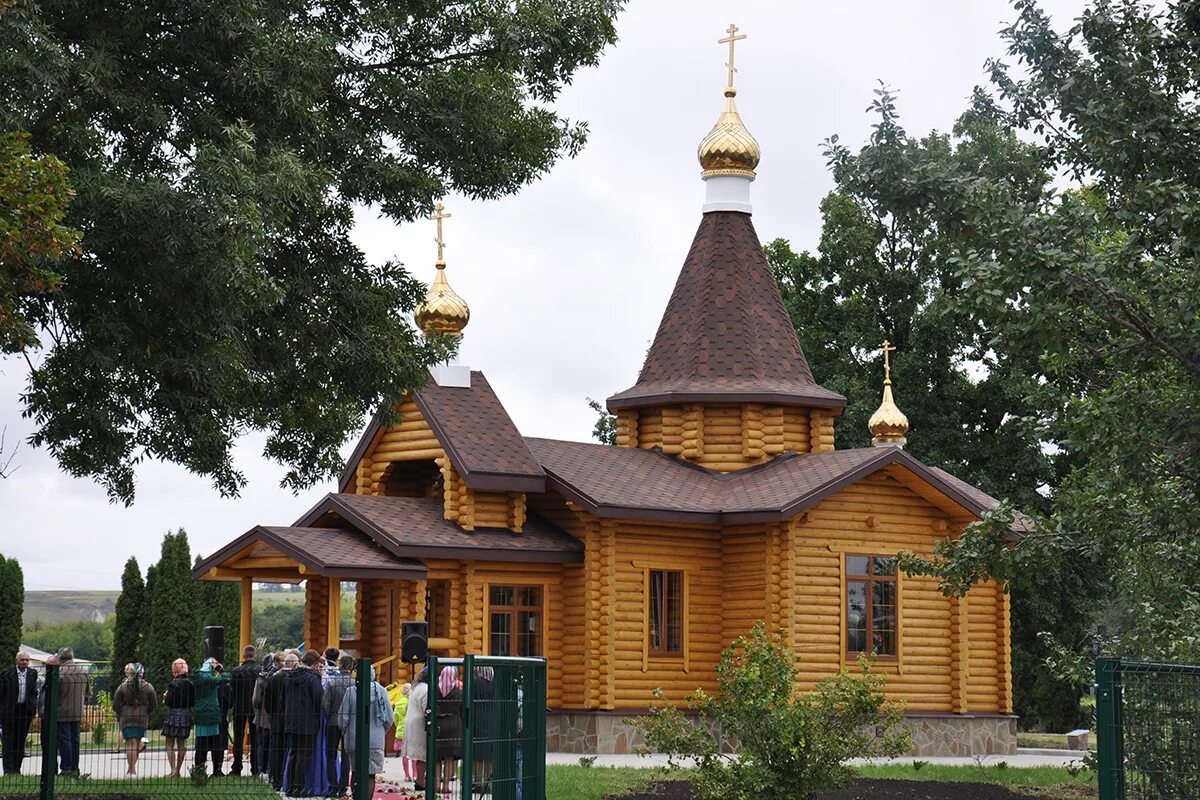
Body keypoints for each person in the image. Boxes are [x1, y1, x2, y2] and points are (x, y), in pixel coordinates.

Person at [337, 663, 392, 800]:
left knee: (355, 771)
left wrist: (346, 732)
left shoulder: (351, 692)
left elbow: (343, 717)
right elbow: (389, 718)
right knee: (370, 775)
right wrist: (380, 731)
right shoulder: (382, 691)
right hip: (375, 740)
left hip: (354, 739)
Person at [282, 650, 323, 797]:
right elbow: (320, 700)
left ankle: (290, 787)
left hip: (291, 721)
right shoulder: (312, 679)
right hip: (308, 722)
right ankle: (299, 787)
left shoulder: (288, 677)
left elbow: (283, 699)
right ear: (315, 663)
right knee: (303, 755)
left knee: (293, 753)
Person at [112, 663, 156, 776]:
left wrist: (121, 713)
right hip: (141, 718)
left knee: (131, 744)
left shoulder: (123, 687)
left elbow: (115, 704)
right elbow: (153, 704)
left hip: (127, 718)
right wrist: (146, 712)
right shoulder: (148, 687)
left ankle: (131, 770)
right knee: (136, 744)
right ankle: (133, 769)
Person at [320, 653, 354, 798]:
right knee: (346, 756)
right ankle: (343, 786)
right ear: (351, 666)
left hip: (333, 722)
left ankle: (332, 786)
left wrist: (330, 717)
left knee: (331, 755)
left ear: (340, 665)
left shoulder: (333, 683)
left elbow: (325, 704)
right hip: (350, 724)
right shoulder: (354, 683)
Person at [192, 657, 231, 777]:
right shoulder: (213, 679)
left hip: (200, 715)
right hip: (213, 714)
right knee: (216, 745)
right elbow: (227, 677)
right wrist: (219, 669)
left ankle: (199, 770)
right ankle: (217, 770)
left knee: (201, 745)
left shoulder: (197, 677)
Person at [0, 651, 37, 776]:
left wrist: (32, 707)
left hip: (25, 710)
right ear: (17, 661)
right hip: (10, 711)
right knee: (8, 741)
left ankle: (17, 769)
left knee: (20, 740)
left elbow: (33, 692)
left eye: (27, 660)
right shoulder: (7, 674)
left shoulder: (32, 673)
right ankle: (8, 770)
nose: (25, 662)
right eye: (22, 660)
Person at [55, 647, 88, 777]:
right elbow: (87, 692)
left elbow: (54, 693)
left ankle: (66, 768)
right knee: (75, 740)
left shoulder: (60, 672)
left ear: (60, 658)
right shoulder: (83, 671)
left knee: (65, 741)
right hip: (78, 711)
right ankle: (75, 767)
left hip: (62, 712)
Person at [230, 644, 262, 776]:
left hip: (239, 707)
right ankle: (255, 768)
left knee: (238, 737)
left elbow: (233, 690)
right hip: (255, 708)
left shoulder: (237, 671)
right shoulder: (259, 670)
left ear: (243, 656)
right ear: (255, 655)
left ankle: (237, 767)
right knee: (255, 738)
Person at [162, 658, 195, 778]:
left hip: (173, 713)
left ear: (175, 670)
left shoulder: (173, 684)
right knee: (182, 743)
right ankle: (178, 769)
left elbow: (169, 702)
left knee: (169, 742)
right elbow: (192, 701)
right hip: (185, 713)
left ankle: (173, 769)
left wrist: (165, 697)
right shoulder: (191, 683)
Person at [264, 651, 293, 790]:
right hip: (290, 718)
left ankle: (275, 779)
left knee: (276, 750)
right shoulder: (292, 678)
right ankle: (287, 778)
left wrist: (272, 715)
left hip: (276, 718)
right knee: (289, 750)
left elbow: (267, 702)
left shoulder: (272, 679)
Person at [434, 666, 462, 796]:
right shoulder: (458, 692)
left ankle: (436, 784)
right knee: (450, 758)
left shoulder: (434, 691)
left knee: (437, 758)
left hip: (438, 725)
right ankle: (446, 784)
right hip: (454, 726)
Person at [401, 667, 429, 791]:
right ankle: (420, 781)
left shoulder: (415, 687)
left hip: (411, 722)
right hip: (420, 724)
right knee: (423, 755)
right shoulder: (426, 689)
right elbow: (426, 708)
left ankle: (420, 779)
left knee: (419, 755)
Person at [393, 683, 410, 777]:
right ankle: (415, 774)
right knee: (414, 755)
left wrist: (398, 725)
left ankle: (407, 774)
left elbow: (395, 718)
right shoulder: (410, 703)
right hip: (411, 730)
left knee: (404, 755)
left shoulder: (398, 703)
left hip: (401, 730)